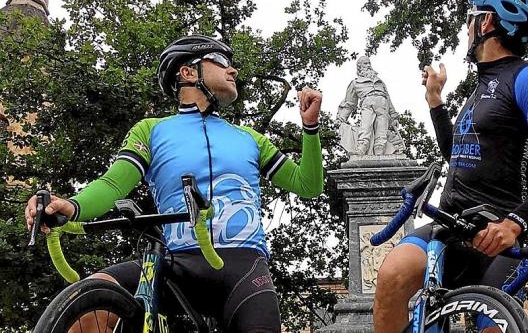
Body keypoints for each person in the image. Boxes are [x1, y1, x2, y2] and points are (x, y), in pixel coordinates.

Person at [24, 35, 324, 332]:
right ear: (188, 72)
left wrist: (310, 128)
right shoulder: (151, 130)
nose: (233, 71)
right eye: (221, 62)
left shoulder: (251, 139)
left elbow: (308, 185)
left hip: (244, 268)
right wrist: (72, 206)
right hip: (176, 265)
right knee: (88, 296)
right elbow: (114, 184)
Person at [373, 0, 528, 332]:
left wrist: (515, 223)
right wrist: (435, 102)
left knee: (490, 326)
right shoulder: (480, 88)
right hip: (450, 225)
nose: (466, 29)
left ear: (487, 21)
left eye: (470, 18)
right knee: (391, 276)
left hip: (497, 231)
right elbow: (458, 155)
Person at [337, 56, 401, 155]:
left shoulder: (380, 82)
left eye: (369, 63)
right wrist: (342, 118)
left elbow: (388, 99)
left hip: (383, 105)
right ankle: (361, 149)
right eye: (365, 63)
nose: (368, 66)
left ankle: (380, 152)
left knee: (382, 131)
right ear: (359, 66)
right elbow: (349, 102)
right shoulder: (355, 83)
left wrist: (393, 116)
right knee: (365, 128)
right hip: (367, 104)